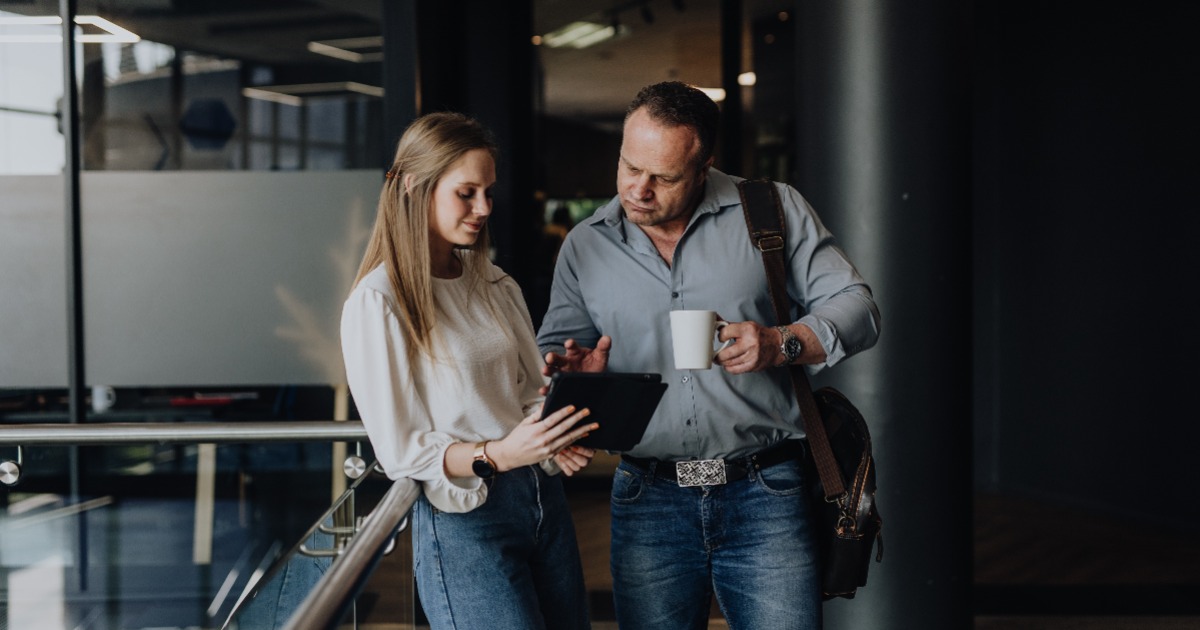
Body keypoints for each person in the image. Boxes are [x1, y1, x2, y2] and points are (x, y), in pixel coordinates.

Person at [536, 81, 881, 629]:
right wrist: (574, 377)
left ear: (703, 168)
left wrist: (778, 343)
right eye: (629, 167)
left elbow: (859, 308)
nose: (638, 190)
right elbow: (555, 353)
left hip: (766, 491)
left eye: (663, 177)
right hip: (648, 497)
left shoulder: (770, 209)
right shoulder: (585, 244)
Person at [340, 112, 600, 630]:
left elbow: (527, 393)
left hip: (541, 500)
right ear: (414, 186)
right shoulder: (379, 301)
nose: (483, 208)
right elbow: (399, 451)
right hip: (466, 518)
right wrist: (501, 453)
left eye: (488, 192)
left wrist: (558, 418)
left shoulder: (495, 282)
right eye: (466, 192)